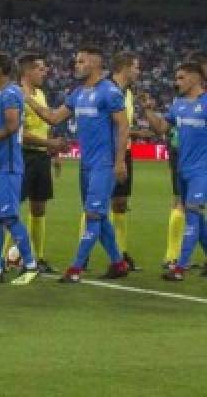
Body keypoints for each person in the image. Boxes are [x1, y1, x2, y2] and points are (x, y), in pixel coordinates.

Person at [26, 45, 130, 283]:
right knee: (98, 216)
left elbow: (122, 126)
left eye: (81, 61)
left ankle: (75, 268)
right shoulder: (78, 93)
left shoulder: (110, 92)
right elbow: (53, 117)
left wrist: (119, 161)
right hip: (87, 165)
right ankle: (118, 263)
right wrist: (27, 100)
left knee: (94, 214)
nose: (76, 65)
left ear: (94, 63)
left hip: (104, 164)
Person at [0, 53, 64, 285]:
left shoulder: (11, 94)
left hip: (7, 166)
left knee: (9, 216)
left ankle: (30, 266)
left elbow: (12, 126)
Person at [141, 63, 206, 281]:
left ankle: (180, 266)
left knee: (193, 211)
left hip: (202, 170)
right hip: (183, 169)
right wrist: (148, 109)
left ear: (196, 79)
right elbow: (160, 128)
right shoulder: (178, 105)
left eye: (181, 78)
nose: (176, 82)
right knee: (193, 215)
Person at [16, 53, 59, 273]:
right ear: (28, 72)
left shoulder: (40, 94)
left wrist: (53, 152)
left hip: (41, 157)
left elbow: (46, 124)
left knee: (39, 208)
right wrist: (50, 143)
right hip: (23, 155)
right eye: (40, 69)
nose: (45, 73)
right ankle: (10, 257)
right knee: (14, 208)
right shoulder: (16, 96)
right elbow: (20, 134)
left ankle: (38, 257)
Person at [108, 52, 140, 272]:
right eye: (136, 67)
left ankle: (120, 252)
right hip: (108, 154)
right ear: (125, 67)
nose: (138, 72)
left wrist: (136, 133)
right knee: (97, 204)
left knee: (120, 203)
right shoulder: (108, 90)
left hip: (124, 152)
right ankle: (85, 254)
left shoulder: (128, 92)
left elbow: (123, 125)